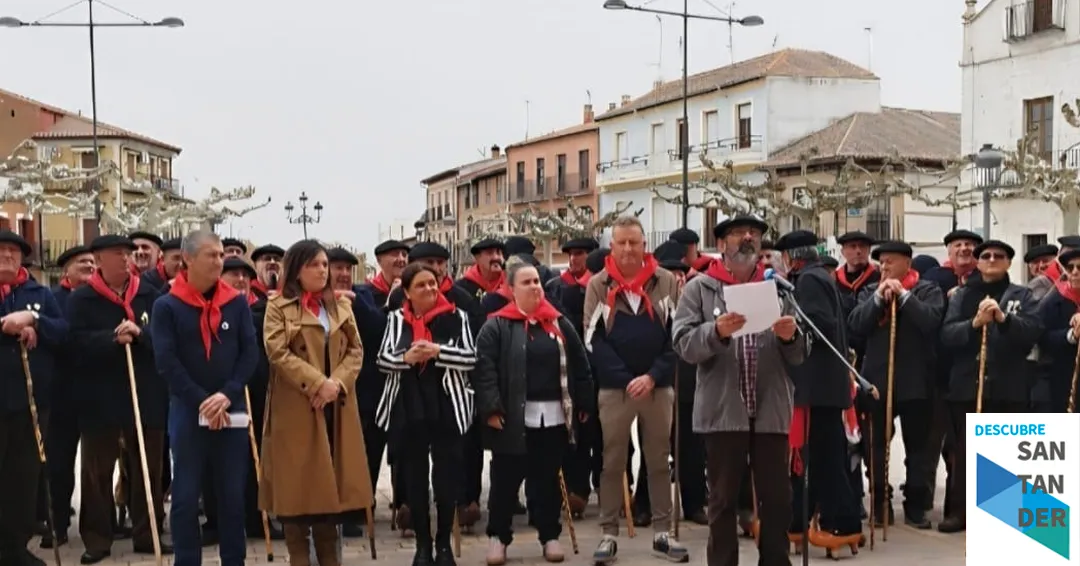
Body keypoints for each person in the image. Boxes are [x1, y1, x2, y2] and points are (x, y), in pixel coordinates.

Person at [672, 216, 804, 566]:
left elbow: (800, 353)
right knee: (723, 500)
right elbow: (683, 344)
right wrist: (715, 332)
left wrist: (791, 338)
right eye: (737, 234)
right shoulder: (699, 289)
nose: (748, 237)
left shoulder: (779, 288)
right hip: (722, 411)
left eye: (755, 234)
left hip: (770, 410)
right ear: (721, 245)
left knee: (778, 499)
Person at [475, 257, 594, 565]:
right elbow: (484, 371)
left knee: (546, 480)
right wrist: (491, 408)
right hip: (512, 418)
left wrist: (583, 403)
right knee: (505, 482)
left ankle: (549, 535)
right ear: (511, 288)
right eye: (526, 282)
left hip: (553, 416)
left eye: (537, 281)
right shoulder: (496, 325)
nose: (534, 287)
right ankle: (498, 538)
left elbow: (580, 364)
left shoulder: (557, 322)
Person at [151, 231, 259, 566]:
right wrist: (202, 400)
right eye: (211, 255)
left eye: (220, 255)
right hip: (188, 409)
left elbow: (249, 354)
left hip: (230, 410)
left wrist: (227, 394)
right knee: (184, 496)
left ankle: (234, 559)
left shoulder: (236, 302)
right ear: (188, 259)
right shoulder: (167, 305)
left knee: (231, 494)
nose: (219, 261)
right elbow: (166, 362)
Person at [260, 240, 371, 566]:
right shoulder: (278, 306)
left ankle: (330, 559)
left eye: (325, 265)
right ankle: (299, 559)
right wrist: (317, 382)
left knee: (330, 494)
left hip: (334, 408)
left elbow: (356, 350)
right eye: (315, 265)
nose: (323, 271)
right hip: (298, 409)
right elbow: (277, 352)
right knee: (297, 494)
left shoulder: (340, 306)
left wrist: (336, 383)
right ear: (296, 269)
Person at [583, 215, 685, 564]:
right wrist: (627, 378)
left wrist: (653, 376)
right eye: (621, 242)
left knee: (659, 460)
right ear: (612, 247)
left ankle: (661, 533)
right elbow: (592, 339)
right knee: (612, 461)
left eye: (634, 242)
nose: (628, 249)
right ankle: (608, 534)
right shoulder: (598, 284)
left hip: (658, 387)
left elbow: (678, 336)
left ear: (645, 246)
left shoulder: (667, 282)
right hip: (616, 389)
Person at [68, 234, 169, 564]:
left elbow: (164, 340)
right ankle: (97, 539)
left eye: (128, 253)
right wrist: (111, 338)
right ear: (99, 260)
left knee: (147, 469)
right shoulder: (82, 299)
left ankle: (147, 532)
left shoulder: (151, 296)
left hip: (145, 394)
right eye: (118, 253)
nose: (127, 258)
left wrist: (141, 335)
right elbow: (74, 343)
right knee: (97, 472)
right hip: (100, 398)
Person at [376, 262, 477, 566]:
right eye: (421, 285)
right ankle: (422, 545)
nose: (430, 289)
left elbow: (471, 357)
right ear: (406, 291)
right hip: (409, 404)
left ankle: (444, 543)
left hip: (446, 404)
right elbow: (382, 359)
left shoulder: (457, 316)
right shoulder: (395, 320)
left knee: (446, 479)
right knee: (415, 479)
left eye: (433, 283)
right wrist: (406, 357)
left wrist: (438, 352)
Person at [939, 239, 1041, 534]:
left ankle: (1007, 514)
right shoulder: (961, 296)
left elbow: (1032, 332)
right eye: (986, 255)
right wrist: (975, 323)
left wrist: (1002, 319)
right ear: (978, 262)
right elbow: (947, 334)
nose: (992, 259)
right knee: (963, 452)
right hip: (966, 386)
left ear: (1009, 262)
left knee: (1006, 454)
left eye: (999, 256)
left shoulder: (1023, 295)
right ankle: (960, 511)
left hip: (1009, 386)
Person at [773, 230, 863, 548]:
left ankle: (842, 523)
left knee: (823, 460)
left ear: (793, 257)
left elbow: (820, 324)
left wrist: (789, 323)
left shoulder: (809, 281)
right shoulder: (819, 277)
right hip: (823, 385)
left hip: (819, 387)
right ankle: (798, 519)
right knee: (812, 458)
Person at [847, 241, 943, 529]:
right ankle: (879, 502)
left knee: (919, 449)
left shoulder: (927, 290)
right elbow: (855, 326)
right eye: (882, 263)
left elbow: (931, 321)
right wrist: (878, 300)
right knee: (875, 446)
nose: (885, 267)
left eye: (891, 262)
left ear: (907, 264)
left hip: (916, 382)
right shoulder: (868, 291)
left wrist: (904, 298)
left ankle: (915, 504)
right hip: (877, 382)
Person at [0, 231, 67, 566]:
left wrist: (34, 321)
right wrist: (6, 327)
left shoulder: (39, 293)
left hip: (31, 404)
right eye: (1, 251)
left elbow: (62, 332)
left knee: (23, 479)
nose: (7, 256)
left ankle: (14, 548)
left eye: (13, 251)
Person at [42, 244, 95, 550]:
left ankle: (100, 524)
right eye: (81, 263)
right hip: (62, 395)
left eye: (91, 262)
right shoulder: (55, 300)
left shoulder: (100, 299)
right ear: (66, 271)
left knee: (97, 466)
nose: (88, 266)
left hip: (96, 394)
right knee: (60, 465)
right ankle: (58, 525)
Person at [1035, 247, 1080, 412]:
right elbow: (1042, 337)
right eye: (1070, 268)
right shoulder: (1053, 300)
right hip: (1062, 378)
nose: (1075, 272)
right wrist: (1071, 336)